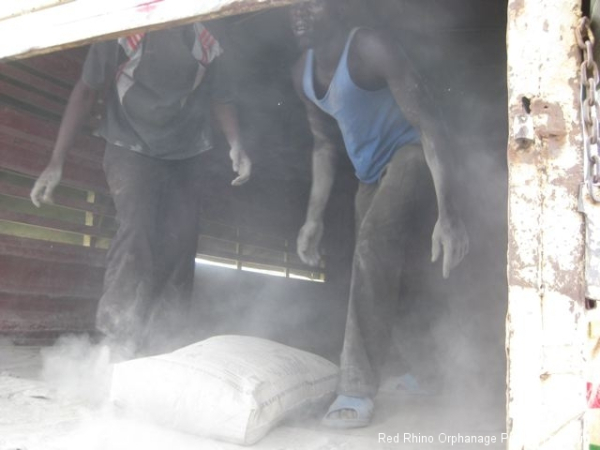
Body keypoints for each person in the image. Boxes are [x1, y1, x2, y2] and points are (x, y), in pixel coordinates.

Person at [289, 0, 469, 428]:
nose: (298, 11)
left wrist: (450, 214)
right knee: (378, 265)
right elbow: (324, 146)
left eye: (311, 3)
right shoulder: (302, 72)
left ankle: (354, 386)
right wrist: (313, 218)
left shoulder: (369, 47)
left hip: (412, 155)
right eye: (291, 6)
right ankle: (420, 370)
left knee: (372, 246)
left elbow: (429, 124)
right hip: (368, 174)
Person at [30, 22, 251, 359]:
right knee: (137, 232)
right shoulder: (123, 27)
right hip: (128, 142)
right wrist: (56, 162)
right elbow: (86, 91)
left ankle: (166, 344)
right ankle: (116, 342)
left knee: (181, 241)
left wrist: (236, 145)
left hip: (188, 149)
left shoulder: (208, 37)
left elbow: (222, 97)